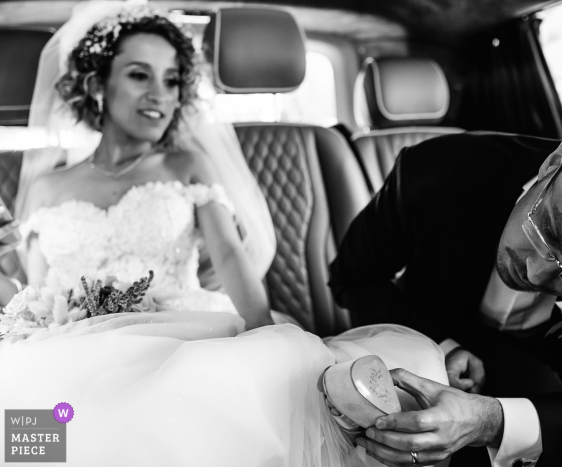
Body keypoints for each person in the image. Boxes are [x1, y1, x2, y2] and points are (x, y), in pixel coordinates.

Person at [0, 4, 448, 466]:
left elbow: (231, 255)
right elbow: (32, 290)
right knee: (36, 430)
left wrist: (261, 330)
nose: (160, 94)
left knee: (181, 397)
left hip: (177, 330)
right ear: (97, 85)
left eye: (172, 80)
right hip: (75, 341)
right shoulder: (45, 186)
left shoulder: (187, 166)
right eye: (139, 75)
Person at [329, 128, 562, 466]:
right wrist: (443, 346)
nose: (535, 274)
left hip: (549, 398)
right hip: (429, 344)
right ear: (552, 165)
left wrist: (491, 421)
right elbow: (352, 279)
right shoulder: (439, 170)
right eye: (548, 231)